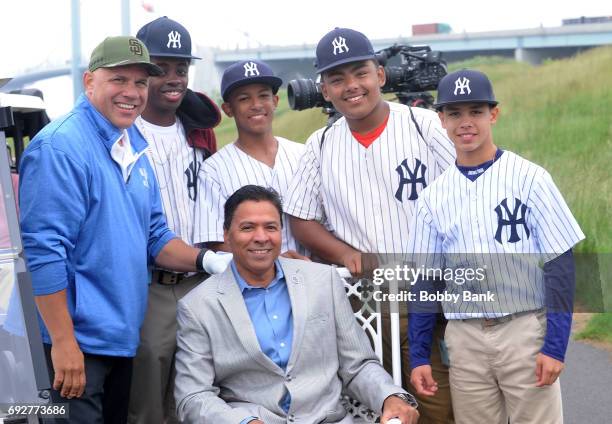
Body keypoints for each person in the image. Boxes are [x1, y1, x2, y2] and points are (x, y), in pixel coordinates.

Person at [18, 36, 231, 423]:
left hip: (121, 339)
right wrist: (64, 344)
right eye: (119, 80)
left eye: (139, 82)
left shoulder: (132, 143)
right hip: (79, 346)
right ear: (89, 82)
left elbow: (155, 235)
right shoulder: (60, 147)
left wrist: (210, 259)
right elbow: (45, 251)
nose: (131, 92)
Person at [284, 27, 455, 422]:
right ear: (324, 90)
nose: (351, 86)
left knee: (438, 405)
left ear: (380, 74)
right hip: (364, 303)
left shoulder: (424, 125)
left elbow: (466, 197)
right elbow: (300, 216)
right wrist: (345, 253)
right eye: (337, 79)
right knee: (373, 406)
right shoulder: (321, 143)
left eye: (360, 72)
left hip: (426, 295)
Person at [407, 69, 584, 423]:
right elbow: (425, 282)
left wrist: (555, 346)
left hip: (523, 330)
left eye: (476, 110)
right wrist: (420, 356)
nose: (465, 122)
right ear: (441, 119)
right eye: (455, 113)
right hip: (465, 338)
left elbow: (559, 264)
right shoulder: (432, 198)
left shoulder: (531, 178)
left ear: (494, 113)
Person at [174, 184, 419, 424]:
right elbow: (193, 396)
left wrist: (390, 396)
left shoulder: (323, 281)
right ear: (226, 234)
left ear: (281, 231)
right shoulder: (198, 306)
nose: (261, 237)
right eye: (247, 227)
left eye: (270, 227)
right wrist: (243, 422)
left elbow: (358, 366)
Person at [127, 17, 222, 424]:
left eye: (181, 69)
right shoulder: (123, 129)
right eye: (160, 68)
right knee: (147, 400)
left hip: (202, 276)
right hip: (150, 283)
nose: (172, 78)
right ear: (142, 74)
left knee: (203, 393)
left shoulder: (199, 129)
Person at [200, 59, 305, 255]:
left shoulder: (303, 154)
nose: (256, 105)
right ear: (228, 109)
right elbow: (215, 241)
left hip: (310, 274)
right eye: (244, 98)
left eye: (263, 95)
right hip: (250, 283)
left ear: (275, 101)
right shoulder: (213, 169)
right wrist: (275, 264)